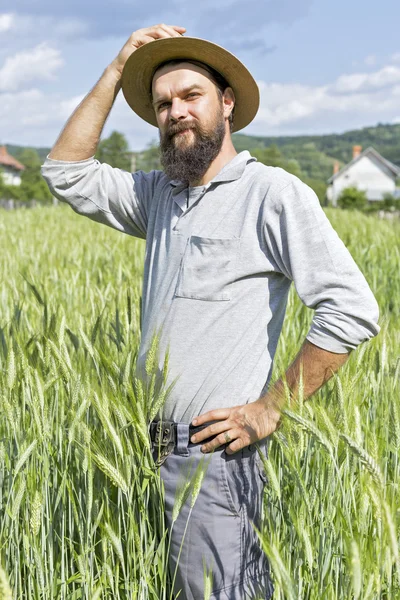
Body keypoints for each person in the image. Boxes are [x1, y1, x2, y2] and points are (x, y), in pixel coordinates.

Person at [41, 24, 380, 600]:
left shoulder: (272, 193)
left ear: (227, 104)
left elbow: (352, 307)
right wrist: (118, 69)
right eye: (163, 103)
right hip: (151, 445)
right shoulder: (159, 197)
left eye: (190, 96)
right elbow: (65, 171)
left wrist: (271, 408)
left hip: (215, 456)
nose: (175, 111)